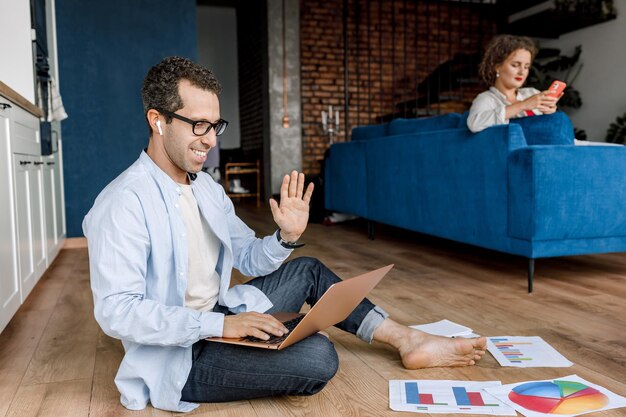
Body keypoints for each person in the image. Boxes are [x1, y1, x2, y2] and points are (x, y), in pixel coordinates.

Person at [83, 56, 487, 413]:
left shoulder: (205, 187)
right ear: (158, 120)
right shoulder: (123, 202)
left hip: (222, 314)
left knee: (307, 269)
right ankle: (265, 341)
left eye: (215, 125)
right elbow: (117, 310)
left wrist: (284, 236)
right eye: (199, 125)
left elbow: (247, 256)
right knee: (318, 358)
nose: (211, 139)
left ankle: (406, 339)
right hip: (181, 353)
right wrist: (220, 328)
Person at [467, 34, 561, 133]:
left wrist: (550, 112)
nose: (522, 72)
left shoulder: (532, 93)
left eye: (526, 67)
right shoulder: (487, 99)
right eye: (515, 65)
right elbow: (474, 124)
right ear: (497, 67)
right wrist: (523, 105)